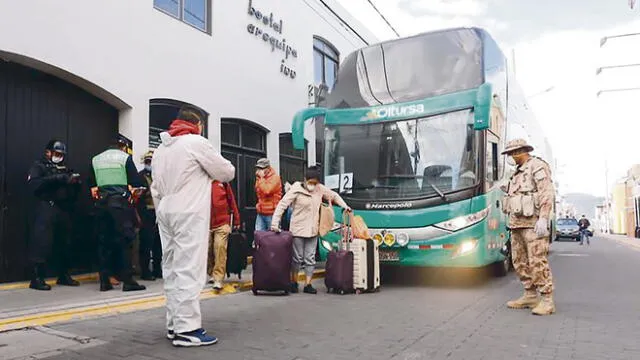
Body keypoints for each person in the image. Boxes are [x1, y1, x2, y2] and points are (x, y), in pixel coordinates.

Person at [151, 105, 235, 347]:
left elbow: (155, 188)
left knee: (172, 269)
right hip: (188, 211)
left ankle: (173, 324)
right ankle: (187, 330)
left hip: (165, 210)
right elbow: (226, 171)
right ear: (197, 125)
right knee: (189, 268)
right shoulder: (195, 142)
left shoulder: (160, 150)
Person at [270, 166, 351, 294]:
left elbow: (334, 196)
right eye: (310, 182)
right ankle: (294, 282)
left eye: (315, 183)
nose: (313, 185)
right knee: (297, 258)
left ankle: (308, 284)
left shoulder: (319, 189)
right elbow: (282, 205)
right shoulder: (296, 189)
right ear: (305, 180)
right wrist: (275, 223)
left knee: (310, 258)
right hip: (297, 230)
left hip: (313, 230)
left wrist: (345, 206)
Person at [501, 139, 556, 316]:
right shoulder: (516, 173)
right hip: (517, 223)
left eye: (511, 153)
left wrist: (544, 218)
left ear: (520, 151)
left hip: (533, 224)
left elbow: (546, 193)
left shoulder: (537, 166)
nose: (510, 157)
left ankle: (547, 300)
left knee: (537, 261)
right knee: (519, 261)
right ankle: (530, 295)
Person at [89, 137, 147, 293]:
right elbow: (135, 182)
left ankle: (104, 282)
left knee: (103, 243)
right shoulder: (124, 158)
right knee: (125, 241)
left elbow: (92, 184)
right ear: (122, 147)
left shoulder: (96, 159)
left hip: (101, 205)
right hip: (119, 205)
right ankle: (128, 281)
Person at [27, 140, 82, 291]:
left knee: (65, 242)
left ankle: (63, 275)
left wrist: (74, 181)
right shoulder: (39, 166)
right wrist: (57, 178)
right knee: (42, 243)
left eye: (61, 155)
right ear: (48, 152)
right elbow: (34, 184)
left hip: (63, 208)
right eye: (57, 154)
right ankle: (37, 278)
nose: (59, 157)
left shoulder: (64, 167)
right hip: (47, 206)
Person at [207, 181, 240, 290]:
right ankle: (211, 272)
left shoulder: (223, 182)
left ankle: (218, 278)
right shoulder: (202, 182)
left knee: (220, 248)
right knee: (207, 250)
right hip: (206, 223)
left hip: (222, 223)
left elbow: (232, 201)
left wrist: (236, 219)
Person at [137, 150, 162, 280]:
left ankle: (158, 269)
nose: (149, 164)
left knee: (158, 243)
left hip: (159, 213)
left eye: (151, 161)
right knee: (146, 243)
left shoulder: (159, 176)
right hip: (146, 212)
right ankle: (145, 271)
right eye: (147, 162)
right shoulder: (140, 176)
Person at [254, 158, 281, 233]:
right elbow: (258, 191)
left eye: (262, 168)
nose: (260, 170)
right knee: (258, 236)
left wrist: (261, 178)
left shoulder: (275, 178)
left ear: (268, 168)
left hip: (272, 213)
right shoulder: (259, 179)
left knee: (272, 238)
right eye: (258, 168)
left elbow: (267, 191)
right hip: (261, 212)